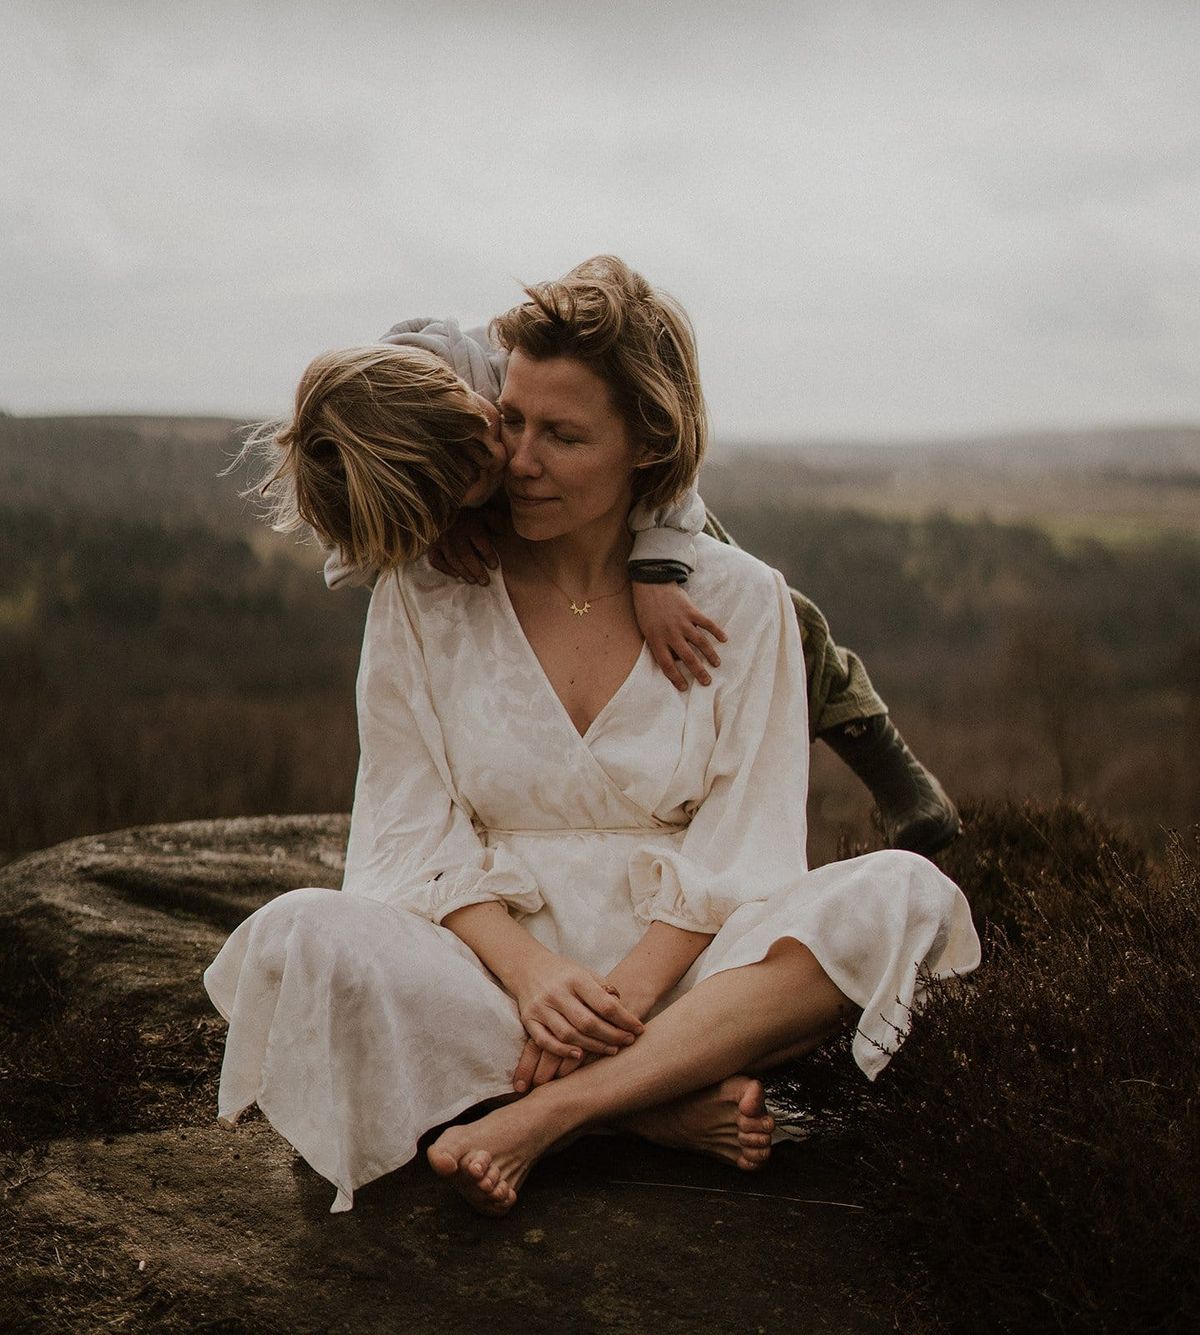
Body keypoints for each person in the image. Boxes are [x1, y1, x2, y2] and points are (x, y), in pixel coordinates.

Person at [205, 256, 979, 1216]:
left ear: (646, 452)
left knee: (902, 897)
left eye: (563, 436)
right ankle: (646, 1105)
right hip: (489, 970)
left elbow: (750, 841)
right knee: (297, 936)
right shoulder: (428, 591)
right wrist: (532, 978)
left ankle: (541, 1114)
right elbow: (406, 831)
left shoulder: (740, 598)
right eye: (513, 423)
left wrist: (623, 996)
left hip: (692, 966)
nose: (520, 460)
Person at [244, 312, 961, 856]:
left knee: (773, 614)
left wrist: (656, 567)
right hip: (522, 541)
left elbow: (668, 482)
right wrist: (436, 532)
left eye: (487, 429)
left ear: (458, 392)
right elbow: (358, 559)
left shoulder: (491, 370)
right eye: (471, 475)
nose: (507, 453)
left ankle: (887, 761)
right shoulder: (396, 476)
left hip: (644, 516)